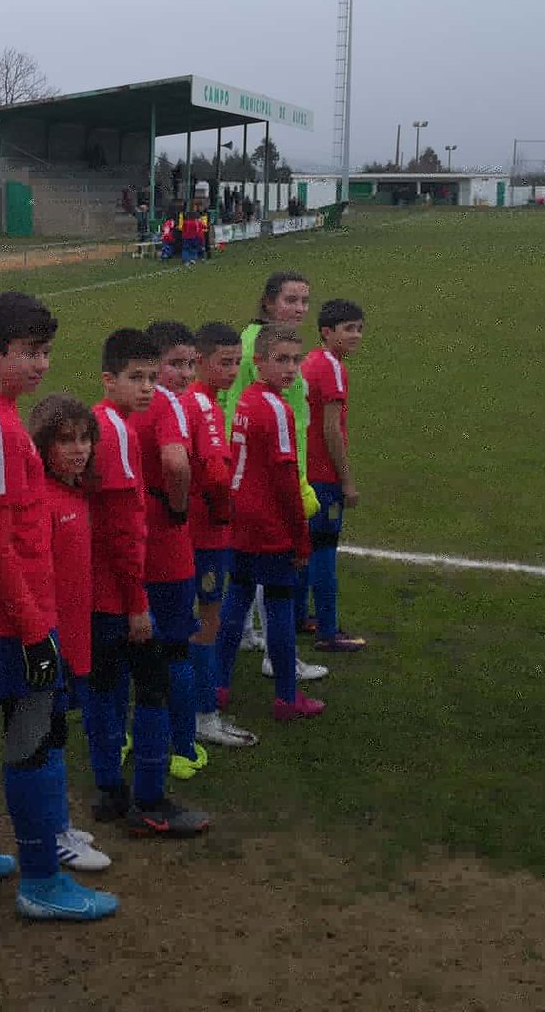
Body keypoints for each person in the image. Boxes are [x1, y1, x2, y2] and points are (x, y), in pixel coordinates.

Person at [0, 292, 118, 922]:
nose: (42, 365)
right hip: (14, 617)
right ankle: (43, 880)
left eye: (46, 351)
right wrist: (37, 627)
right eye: (29, 353)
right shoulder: (4, 432)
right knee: (32, 743)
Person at [83, 328, 209, 837]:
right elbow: (122, 527)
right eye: (137, 378)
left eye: (153, 379)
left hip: (95, 590)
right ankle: (151, 801)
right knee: (151, 686)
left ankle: (110, 793)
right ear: (108, 379)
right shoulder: (116, 433)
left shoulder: (101, 423)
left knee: (103, 684)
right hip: (118, 594)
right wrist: (137, 602)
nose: (148, 388)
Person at [224, 272, 329, 687]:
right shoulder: (259, 351)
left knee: (246, 576)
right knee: (275, 566)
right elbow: (249, 411)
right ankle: (276, 654)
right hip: (270, 469)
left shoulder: (262, 342)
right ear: (268, 303)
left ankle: (251, 637)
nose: (300, 308)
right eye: (290, 300)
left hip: (263, 464)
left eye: (305, 300)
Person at [28, 393, 112, 873]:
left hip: (74, 640)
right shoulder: (43, 499)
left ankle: (56, 822)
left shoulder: (75, 493)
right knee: (48, 737)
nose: (79, 449)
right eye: (66, 440)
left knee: (58, 734)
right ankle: (53, 833)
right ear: (43, 446)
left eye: (85, 438)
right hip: (51, 643)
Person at [179, 323, 258, 748]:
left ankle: (188, 707)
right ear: (202, 362)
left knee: (190, 618)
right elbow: (213, 472)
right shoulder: (205, 406)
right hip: (206, 531)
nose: (231, 371)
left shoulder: (190, 400)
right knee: (207, 620)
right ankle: (202, 714)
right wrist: (227, 512)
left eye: (235, 362)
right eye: (223, 363)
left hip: (189, 527)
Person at [135, 322, 207, 780]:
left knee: (129, 651)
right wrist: (178, 508)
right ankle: (182, 749)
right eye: (175, 364)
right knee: (176, 649)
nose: (183, 374)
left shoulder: (113, 405)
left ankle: (125, 739)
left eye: (189, 364)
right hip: (165, 544)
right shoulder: (168, 406)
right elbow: (176, 462)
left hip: (125, 546)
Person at [301, 299, 367, 653]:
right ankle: (328, 630)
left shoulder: (312, 361)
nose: (356, 336)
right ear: (327, 332)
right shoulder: (332, 369)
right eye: (349, 329)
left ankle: (301, 616)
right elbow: (331, 430)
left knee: (304, 547)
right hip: (323, 475)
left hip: (304, 472)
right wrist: (347, 481)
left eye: (359, 328)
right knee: (324, 551)